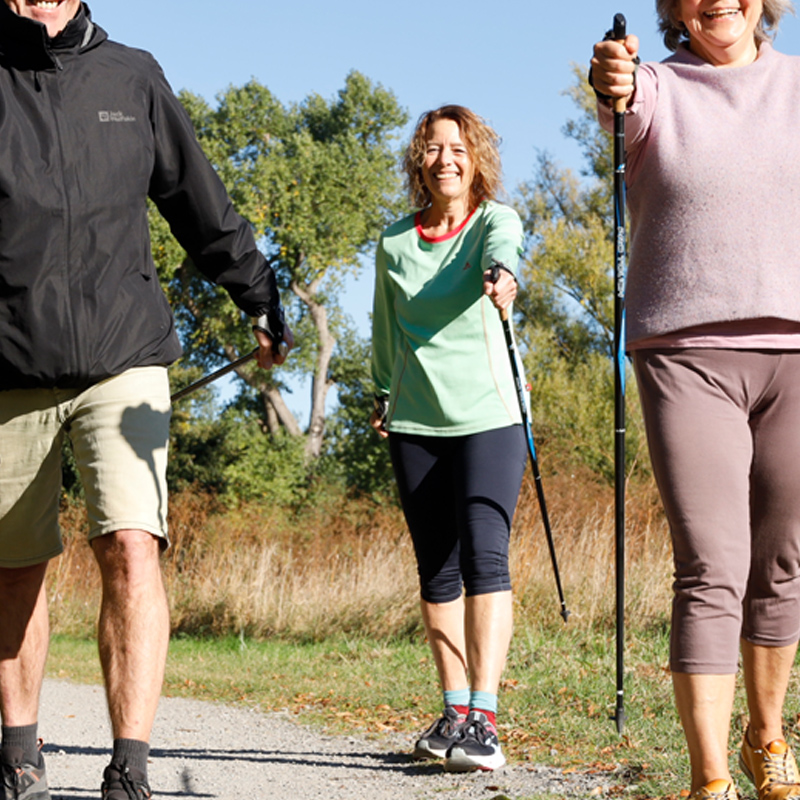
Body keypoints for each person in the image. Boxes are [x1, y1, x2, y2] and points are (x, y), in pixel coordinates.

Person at [0, 2, 293, 799]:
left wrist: (258, 294)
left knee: (131, 546)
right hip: (9, 362)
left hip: (122, 354)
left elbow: (198, 200)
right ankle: (19, 754)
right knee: (12, 568)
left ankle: (129, 764)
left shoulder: (131, 75)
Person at [590, 2, 800, 798]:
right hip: (685, 350)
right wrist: (610, 74)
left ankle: (766, 738)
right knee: (713, 563)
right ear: (675, 10)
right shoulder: (652, 89)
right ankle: (709, 779)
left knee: (782, 559)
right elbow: (615, 91)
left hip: (798, 352)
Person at [370, 105, 527, 773]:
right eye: (433, 148)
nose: (446, 159)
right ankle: (455, 710)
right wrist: (381, 392)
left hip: (491, 417)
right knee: (436, 569)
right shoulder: (394, 243)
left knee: (484, 560)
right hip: (415, 421)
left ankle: (485, 722)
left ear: (476, 157)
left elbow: (505, 253)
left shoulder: (495, 221)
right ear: (419, 162)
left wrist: (502, 278)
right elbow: (384, 330)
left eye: (458, 147)